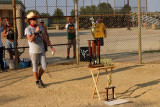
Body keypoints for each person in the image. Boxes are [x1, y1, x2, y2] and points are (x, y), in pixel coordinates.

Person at [25, 12, 55, 88]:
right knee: (35, 66)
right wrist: (35, 32)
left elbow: (45, 37)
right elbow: (30, 40)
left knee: (44, 66)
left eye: (36, 18)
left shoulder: (40, 27)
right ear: (30, 21)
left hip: (41, 49)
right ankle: (37, 82)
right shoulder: (28, 29)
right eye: (34, 19)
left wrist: (51, 46)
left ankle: (39, 78)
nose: (36, 20)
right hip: (33, 50)